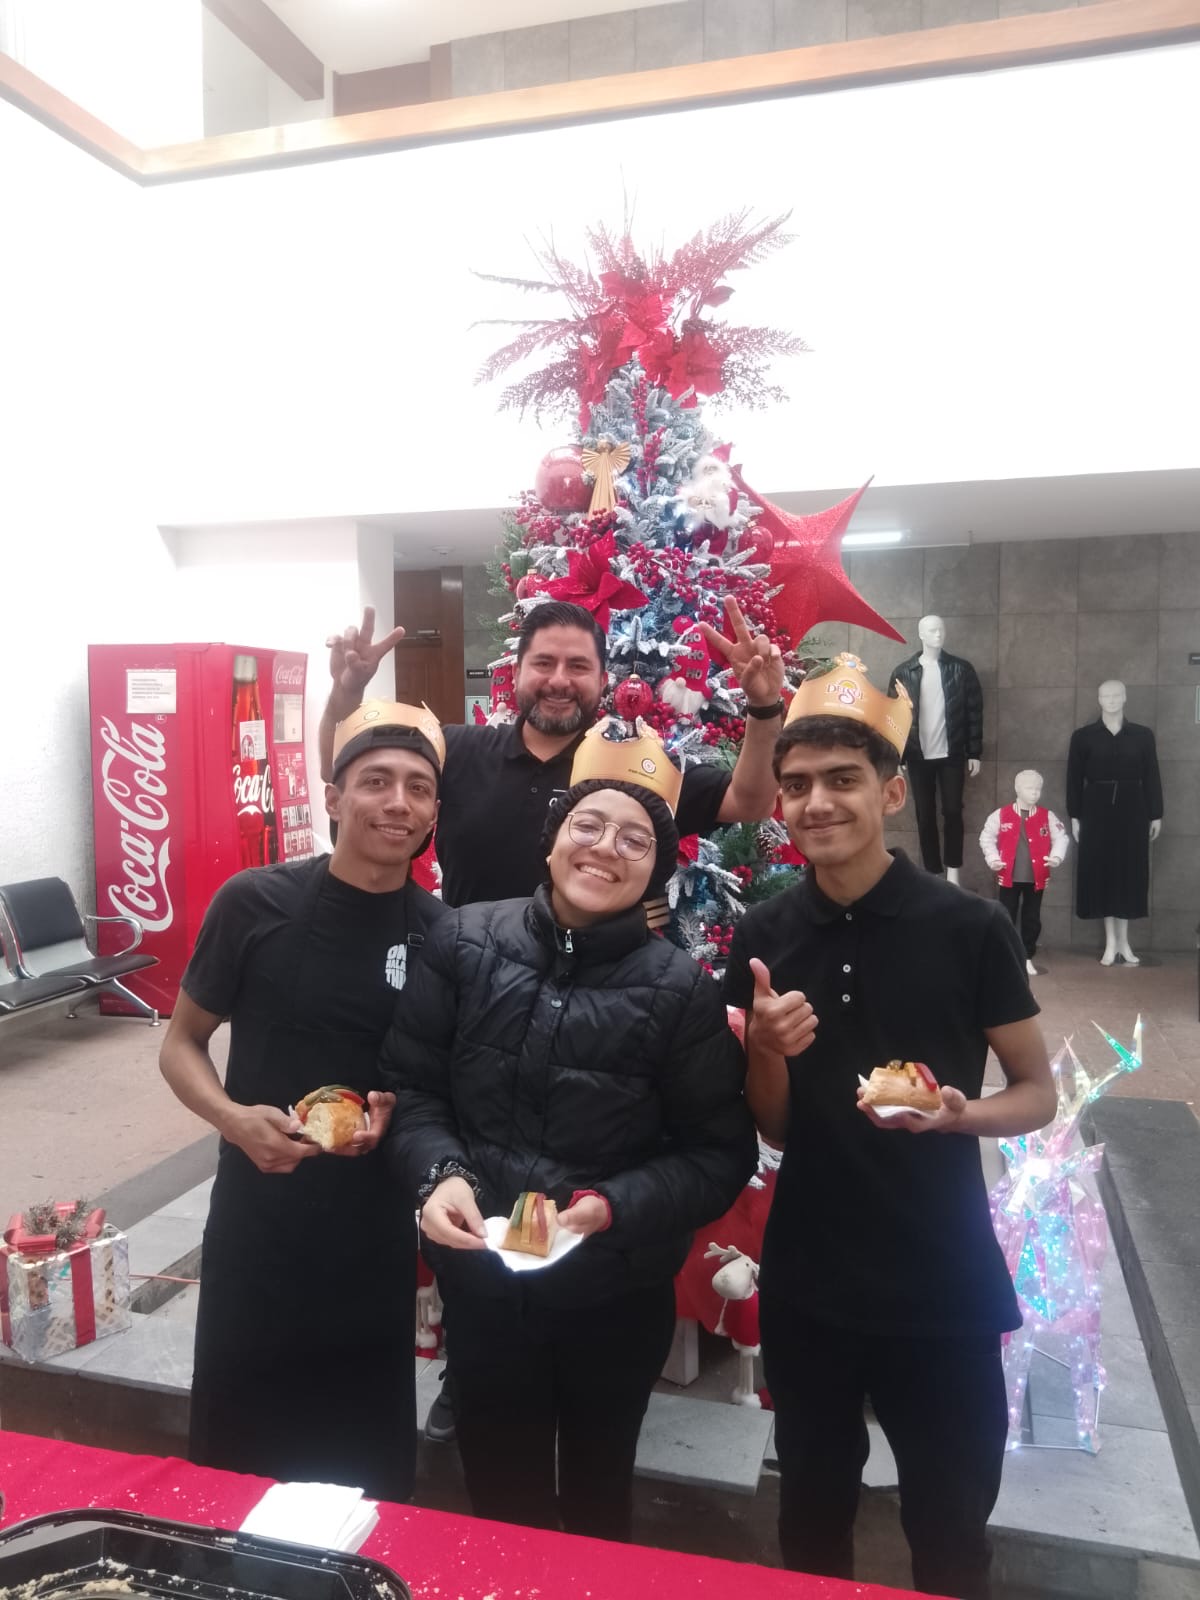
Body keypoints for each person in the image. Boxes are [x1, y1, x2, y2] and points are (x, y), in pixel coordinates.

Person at [724, 653, 1054, 1600]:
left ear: (893, 791)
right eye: (796, 785)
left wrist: (961, 1115)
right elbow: (773, 1125)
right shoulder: (766, 935)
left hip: (941, 1279)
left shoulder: (969, 928)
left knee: (950, 1529)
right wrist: (766, 1051)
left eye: (842, 779)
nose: (816, 802)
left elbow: (1036, 1091)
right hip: (811, 1279)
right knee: (810, 1518)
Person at [380, 716, 758, 1542]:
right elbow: (412, 1088)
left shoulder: (680, 993)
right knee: (499, 1500)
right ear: (552, 841)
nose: (605, 848)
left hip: (613, 1297)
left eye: (635, 839)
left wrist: (613, 1206)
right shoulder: (462, 941)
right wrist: (441, 1174)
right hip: (484, 1289)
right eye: (587, 825)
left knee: (597, 1504)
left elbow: (718, 1153)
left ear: (656, 867)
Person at [159, 701, 450, 1499]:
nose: (397, 803)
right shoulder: (253, 903)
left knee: (362, 1457)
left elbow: (436, 1084)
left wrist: (399, 1121)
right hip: (258, 1218)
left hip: (372, 1229)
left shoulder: (442, 935)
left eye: (418, 788)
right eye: (376, 782)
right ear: (332, 797)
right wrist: (232, 1119)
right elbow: (180, 1044)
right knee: (237, 1444)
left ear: (434, 813)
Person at [320, 597, 787, 907]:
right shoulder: (457, 748)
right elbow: (338, 765)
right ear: (516, 674)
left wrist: (765, 707)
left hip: (588, 998)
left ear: (603, 681)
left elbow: (749, 803)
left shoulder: (635, 767)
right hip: (467, 981)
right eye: (543, 663)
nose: (559, 680)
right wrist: (346, 692)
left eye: (578, 666)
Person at [1067, 679, 1163, 967]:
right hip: (1095, 809)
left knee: (1130, 870)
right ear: (1098, 699)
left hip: (1133, 808)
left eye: (1116, 695)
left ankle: (1125, 941)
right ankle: (1111, 942)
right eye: (1106, 695)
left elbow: (1152, 774)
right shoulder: (1083, 737)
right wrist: (1075, 815)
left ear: (1125, 698)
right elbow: (1073, 778)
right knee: (1103, 870)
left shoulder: (1142, 735)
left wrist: (1156, 813)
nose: (1111, 700)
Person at [888, 616, 984, 884]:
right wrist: (898, 755)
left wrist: (974, 752)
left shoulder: (961, 669)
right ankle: (932, 872)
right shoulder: (904, 672)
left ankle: (953, 870)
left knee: (953, 811)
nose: (938, 634)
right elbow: (894, 716)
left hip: (952, 753)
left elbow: (974, 712)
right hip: (917, 755)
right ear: (921, 634)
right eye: (932, 630)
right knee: (925, 814)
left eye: (941, 629)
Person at [979, 770, 1070, 976]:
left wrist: (1056, 856)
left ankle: (1027, 955)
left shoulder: (1047, 816)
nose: (1035, 793)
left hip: (1036, 876)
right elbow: (986, 837)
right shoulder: (1001, 815)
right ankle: (1005, 954)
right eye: (1030, 788)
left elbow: (1061, 838)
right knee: (1006, 915)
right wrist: (993, 858)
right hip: (1008, 876)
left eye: (1038, 789)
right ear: (1017, 789)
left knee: (1032, 917)